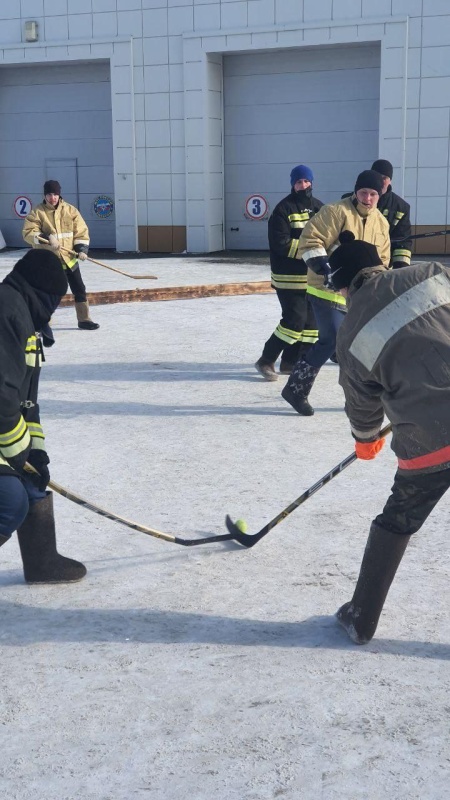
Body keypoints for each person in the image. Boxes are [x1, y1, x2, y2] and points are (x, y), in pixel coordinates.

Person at [327, 232, 450, 643]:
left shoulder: (349, 333)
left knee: (398, 519)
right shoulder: (434, 274)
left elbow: (363, 405)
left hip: (430, 444)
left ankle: (361, 618)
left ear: (345, 286)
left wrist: (365, 440)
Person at [0, 249, 86, 583]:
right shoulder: (8, 314)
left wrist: (35, 450)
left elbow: (27, 404)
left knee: (33, 484)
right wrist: (20, 455)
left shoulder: (25, 315)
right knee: (10, 500)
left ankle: (42, 563)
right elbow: (3, 401)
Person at [281, 169, 391, 416]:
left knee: (359, 346)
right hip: (325, 288)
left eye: (373, 194)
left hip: (358, 294)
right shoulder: (335, 212)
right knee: (331, 340)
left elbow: (383, 258)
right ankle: (296, 389)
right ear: (356, 190)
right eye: (364, 192)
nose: (368, 198)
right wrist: (326, 270)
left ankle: (361, 398)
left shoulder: (381, 223)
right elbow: (310, 240)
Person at [254, 165, 322, 380]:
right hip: (288, 278)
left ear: (312, 182)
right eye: (298, 182)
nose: (303, 185)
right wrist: (311, 251)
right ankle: (266, 360)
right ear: (293, 184)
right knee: (294, 322)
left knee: (311, 327)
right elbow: (281, 243)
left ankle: (291, 363)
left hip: (312, 279)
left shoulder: (320, 208)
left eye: (306, 181)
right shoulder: (283, 209)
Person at [22, 179, 99, 331]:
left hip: (69, 259)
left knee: (79, 289)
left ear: (59, 194)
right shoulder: (38, 212)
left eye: (55, 194)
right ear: (45, 195)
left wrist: (81, 249)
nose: (53, 198)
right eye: (49, 194)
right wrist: (46, 236)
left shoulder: (70, 211)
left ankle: (84, 320)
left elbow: (81, 231)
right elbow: (28, 233)